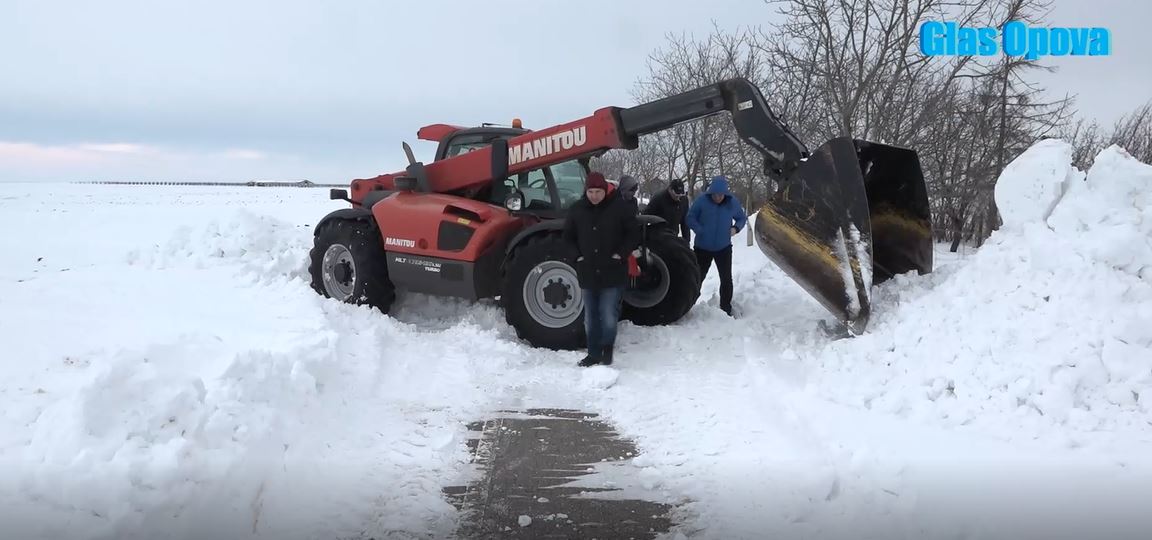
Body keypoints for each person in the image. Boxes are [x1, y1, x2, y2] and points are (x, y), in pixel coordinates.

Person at [562, 171, 642, 367]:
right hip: (587, 271)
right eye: (591, 191)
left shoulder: (620, 208)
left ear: (605, 190)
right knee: (590, 317)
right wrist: (577, 256)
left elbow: (633, 234)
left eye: (598, 191)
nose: (594, 196)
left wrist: (621, 254)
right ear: (586, 191)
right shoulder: (577, 210)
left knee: (607, 315)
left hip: (612, 271)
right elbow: (567, 238)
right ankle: (593, 354)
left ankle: (607, 350)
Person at [686, 175, 747, 317]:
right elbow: (690, 217)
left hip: (723, 248)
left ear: (725, 194)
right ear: (710, 192)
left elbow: (741, 218)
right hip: (702, 248)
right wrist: (699, 229)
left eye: (721, 195)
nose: (718, 198)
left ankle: (726, 308)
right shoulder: (701, 201)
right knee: (697, 277)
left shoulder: (732, 203)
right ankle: (689, 305)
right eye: (715, 195)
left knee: (726, 279)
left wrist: (736, 228)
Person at [642, 178, 690, 242]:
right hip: (658, 237)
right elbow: (646, 216)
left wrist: (686, 241)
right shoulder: (658, 198)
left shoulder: (684, 200)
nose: (678, 197)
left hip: (673, 235)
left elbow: (685, 222)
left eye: (680, 195)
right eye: (676, 195)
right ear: (670, 189)